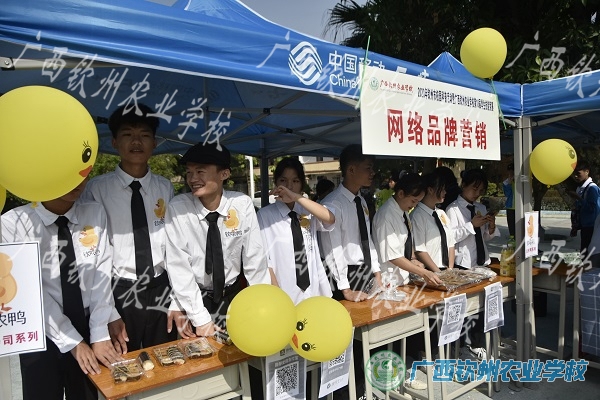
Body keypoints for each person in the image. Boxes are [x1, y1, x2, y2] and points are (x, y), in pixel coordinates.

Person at [2, 179, 122, 400]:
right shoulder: (13, 224)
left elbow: (101, 274)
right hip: (41, 332)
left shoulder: (94, 213)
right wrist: (73, 341)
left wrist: (98, 332)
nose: (76, 180)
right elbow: (29, 291)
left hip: (87, 324)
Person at [81, 104, 177, 352]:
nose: (136, 142)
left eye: (144, 135)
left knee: (166, 359)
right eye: (127, 134)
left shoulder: (165, 187)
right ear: (114, 142)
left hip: (161, 287)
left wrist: (177, 297)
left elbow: (174, 244)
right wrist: (108, 311)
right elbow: (92, 253)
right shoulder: (96, 190)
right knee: (124, 363)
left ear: (154, 142)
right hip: (119, 291)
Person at [165, 142, 271, 337]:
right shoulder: (178, 209)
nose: (193, 179)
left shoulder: (241, 205)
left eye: (200, 171)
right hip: (195, 300)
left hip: (234, 297)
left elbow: (255, 261)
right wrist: (200, 318)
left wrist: (262, 304)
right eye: (189, 172)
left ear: (224, 174)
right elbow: (178, 267)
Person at [257, 158, 335, 305]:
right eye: (283, 180)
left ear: (302, 184)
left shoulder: (308, 210)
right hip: (284, 293)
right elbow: (265, 260)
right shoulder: (265, 215)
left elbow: (330, 218)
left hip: (314, 291)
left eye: (295, 181)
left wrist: (296, 197)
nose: (289, 186)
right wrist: (278, 295)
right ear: (276, 182)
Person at [445, 169, 499, 358]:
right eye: (474, 189)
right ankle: (462, 345)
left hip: (481, 263)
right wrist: (471, 226)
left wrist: (490, 227)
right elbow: (450, 238)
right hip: (463, 264)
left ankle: (476, 344)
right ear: (464, 185)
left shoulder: (480, 207)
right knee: (465, 308)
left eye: (481, 190)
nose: (477, 193)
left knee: (482, 306)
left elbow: (485, 237)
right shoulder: (453, 209)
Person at [319, 144, 381, 302]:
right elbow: (333, 249)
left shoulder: (361, 201)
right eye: (368, 168)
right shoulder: (332, 204)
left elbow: (367, 239)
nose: (372, 173)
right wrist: (346, 289)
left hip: (364, 271)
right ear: (351, 169)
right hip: (342, 276)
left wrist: (377, 273)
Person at [373, 172, 443, 286]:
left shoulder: (403, 211)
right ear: (401, 193)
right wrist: (424, 272)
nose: (414, 205)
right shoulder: (386, 216)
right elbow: (393, 256)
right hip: (389, 280)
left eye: (418, 202)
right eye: (413, 201)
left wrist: (412, 259)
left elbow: (403, 244)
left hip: (402, 278)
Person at [411, 171, 456, 272]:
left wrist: (450, 269)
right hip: (428, 271)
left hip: (447, 270)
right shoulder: (417, 216)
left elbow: (451, 243)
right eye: (442, 189)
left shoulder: (441, 213)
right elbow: (420, 250)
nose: (445, 192)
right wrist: (438, 272)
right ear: (430, 190)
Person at [570, 161, 600, 256]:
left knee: (588, 253)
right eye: (575, 174)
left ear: (587, 172)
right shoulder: (581, 188)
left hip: (591, 226)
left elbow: (592, 208)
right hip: (584, 225)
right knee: (584, 252)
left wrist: (579, 198)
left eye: (578, 174)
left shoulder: (592, 188)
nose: (576, 176)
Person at [502, 163, 516, 237]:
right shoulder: (506, 182)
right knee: (511, 227)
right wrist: (509, 184)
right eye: (509, 171)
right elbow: (507, 194)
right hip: (510, 207)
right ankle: (512, 239)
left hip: (519, 207)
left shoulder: (519, 182)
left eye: (512, 171)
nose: (511, 173)